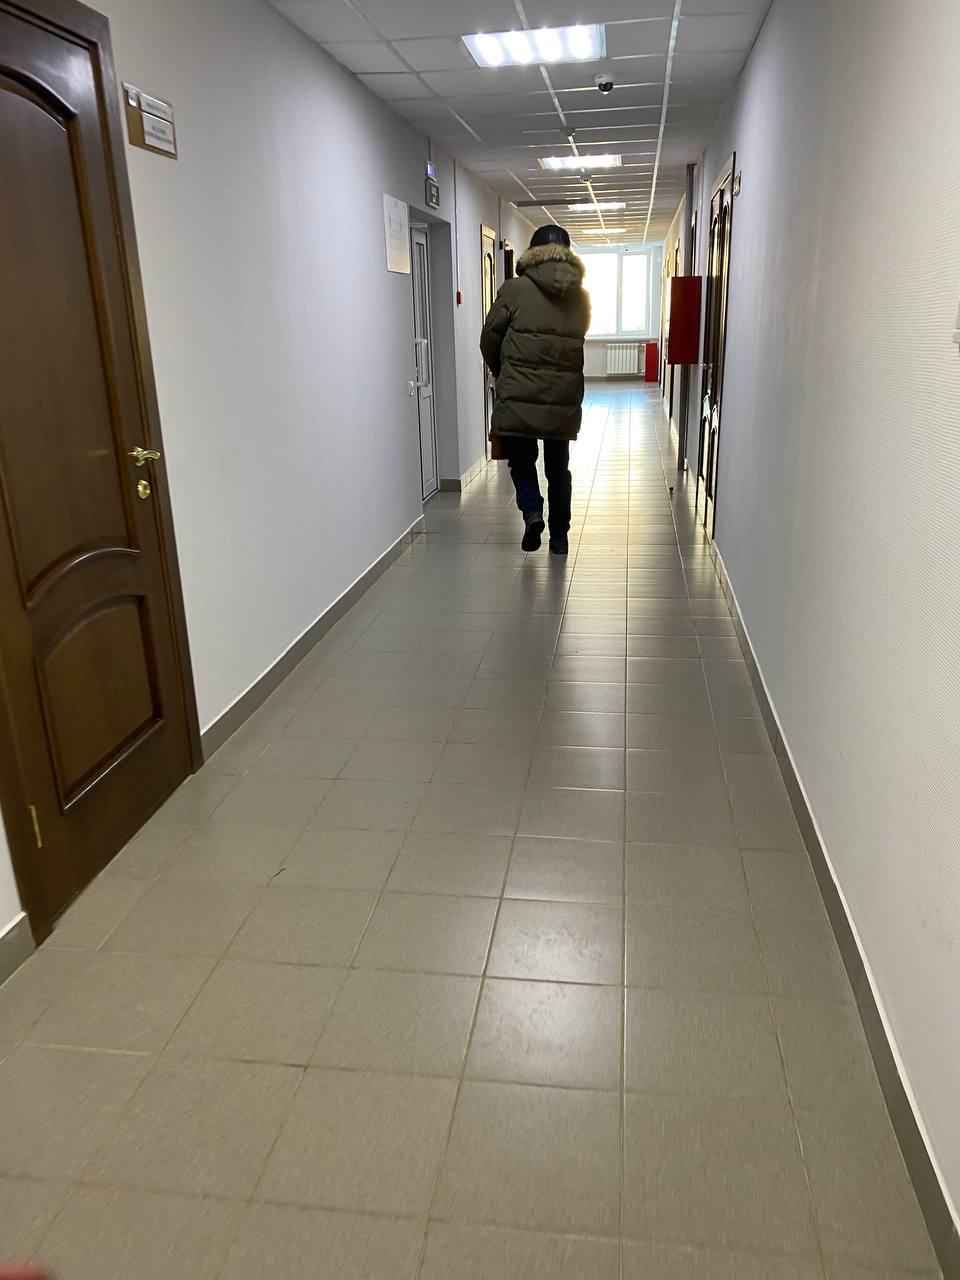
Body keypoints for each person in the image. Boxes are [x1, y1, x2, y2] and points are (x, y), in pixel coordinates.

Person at [480, 224, 590, 556]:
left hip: (519, 396)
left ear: (531, 253)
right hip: (561, 398)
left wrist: (503, 373)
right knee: (558, 469)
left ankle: (532, 512)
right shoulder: (580, 297)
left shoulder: (513, 290)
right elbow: (576, 338)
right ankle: (559, 538)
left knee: (521, 461)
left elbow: (489, 339)